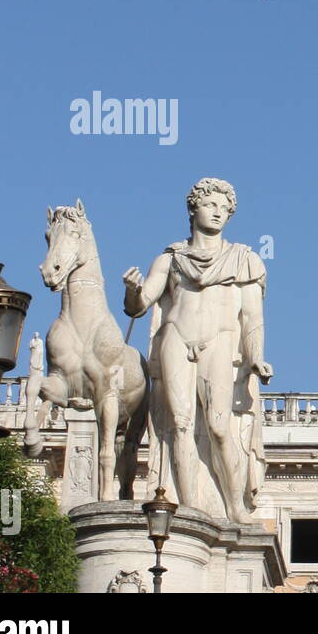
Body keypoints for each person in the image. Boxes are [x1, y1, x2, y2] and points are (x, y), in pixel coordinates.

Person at [123, 178, 271, 523]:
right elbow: (140, 305)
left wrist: (255, 357)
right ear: (194, 208)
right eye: (211, 205)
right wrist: (132, 290)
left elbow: (252, 318)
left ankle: (234, 506)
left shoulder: (244, 259)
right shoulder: (171, 258)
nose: (219, 212)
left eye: (224, 208)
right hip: (176, 335)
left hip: (219, 341)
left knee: (220, 427)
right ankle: (189, 509)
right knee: (179, 424)